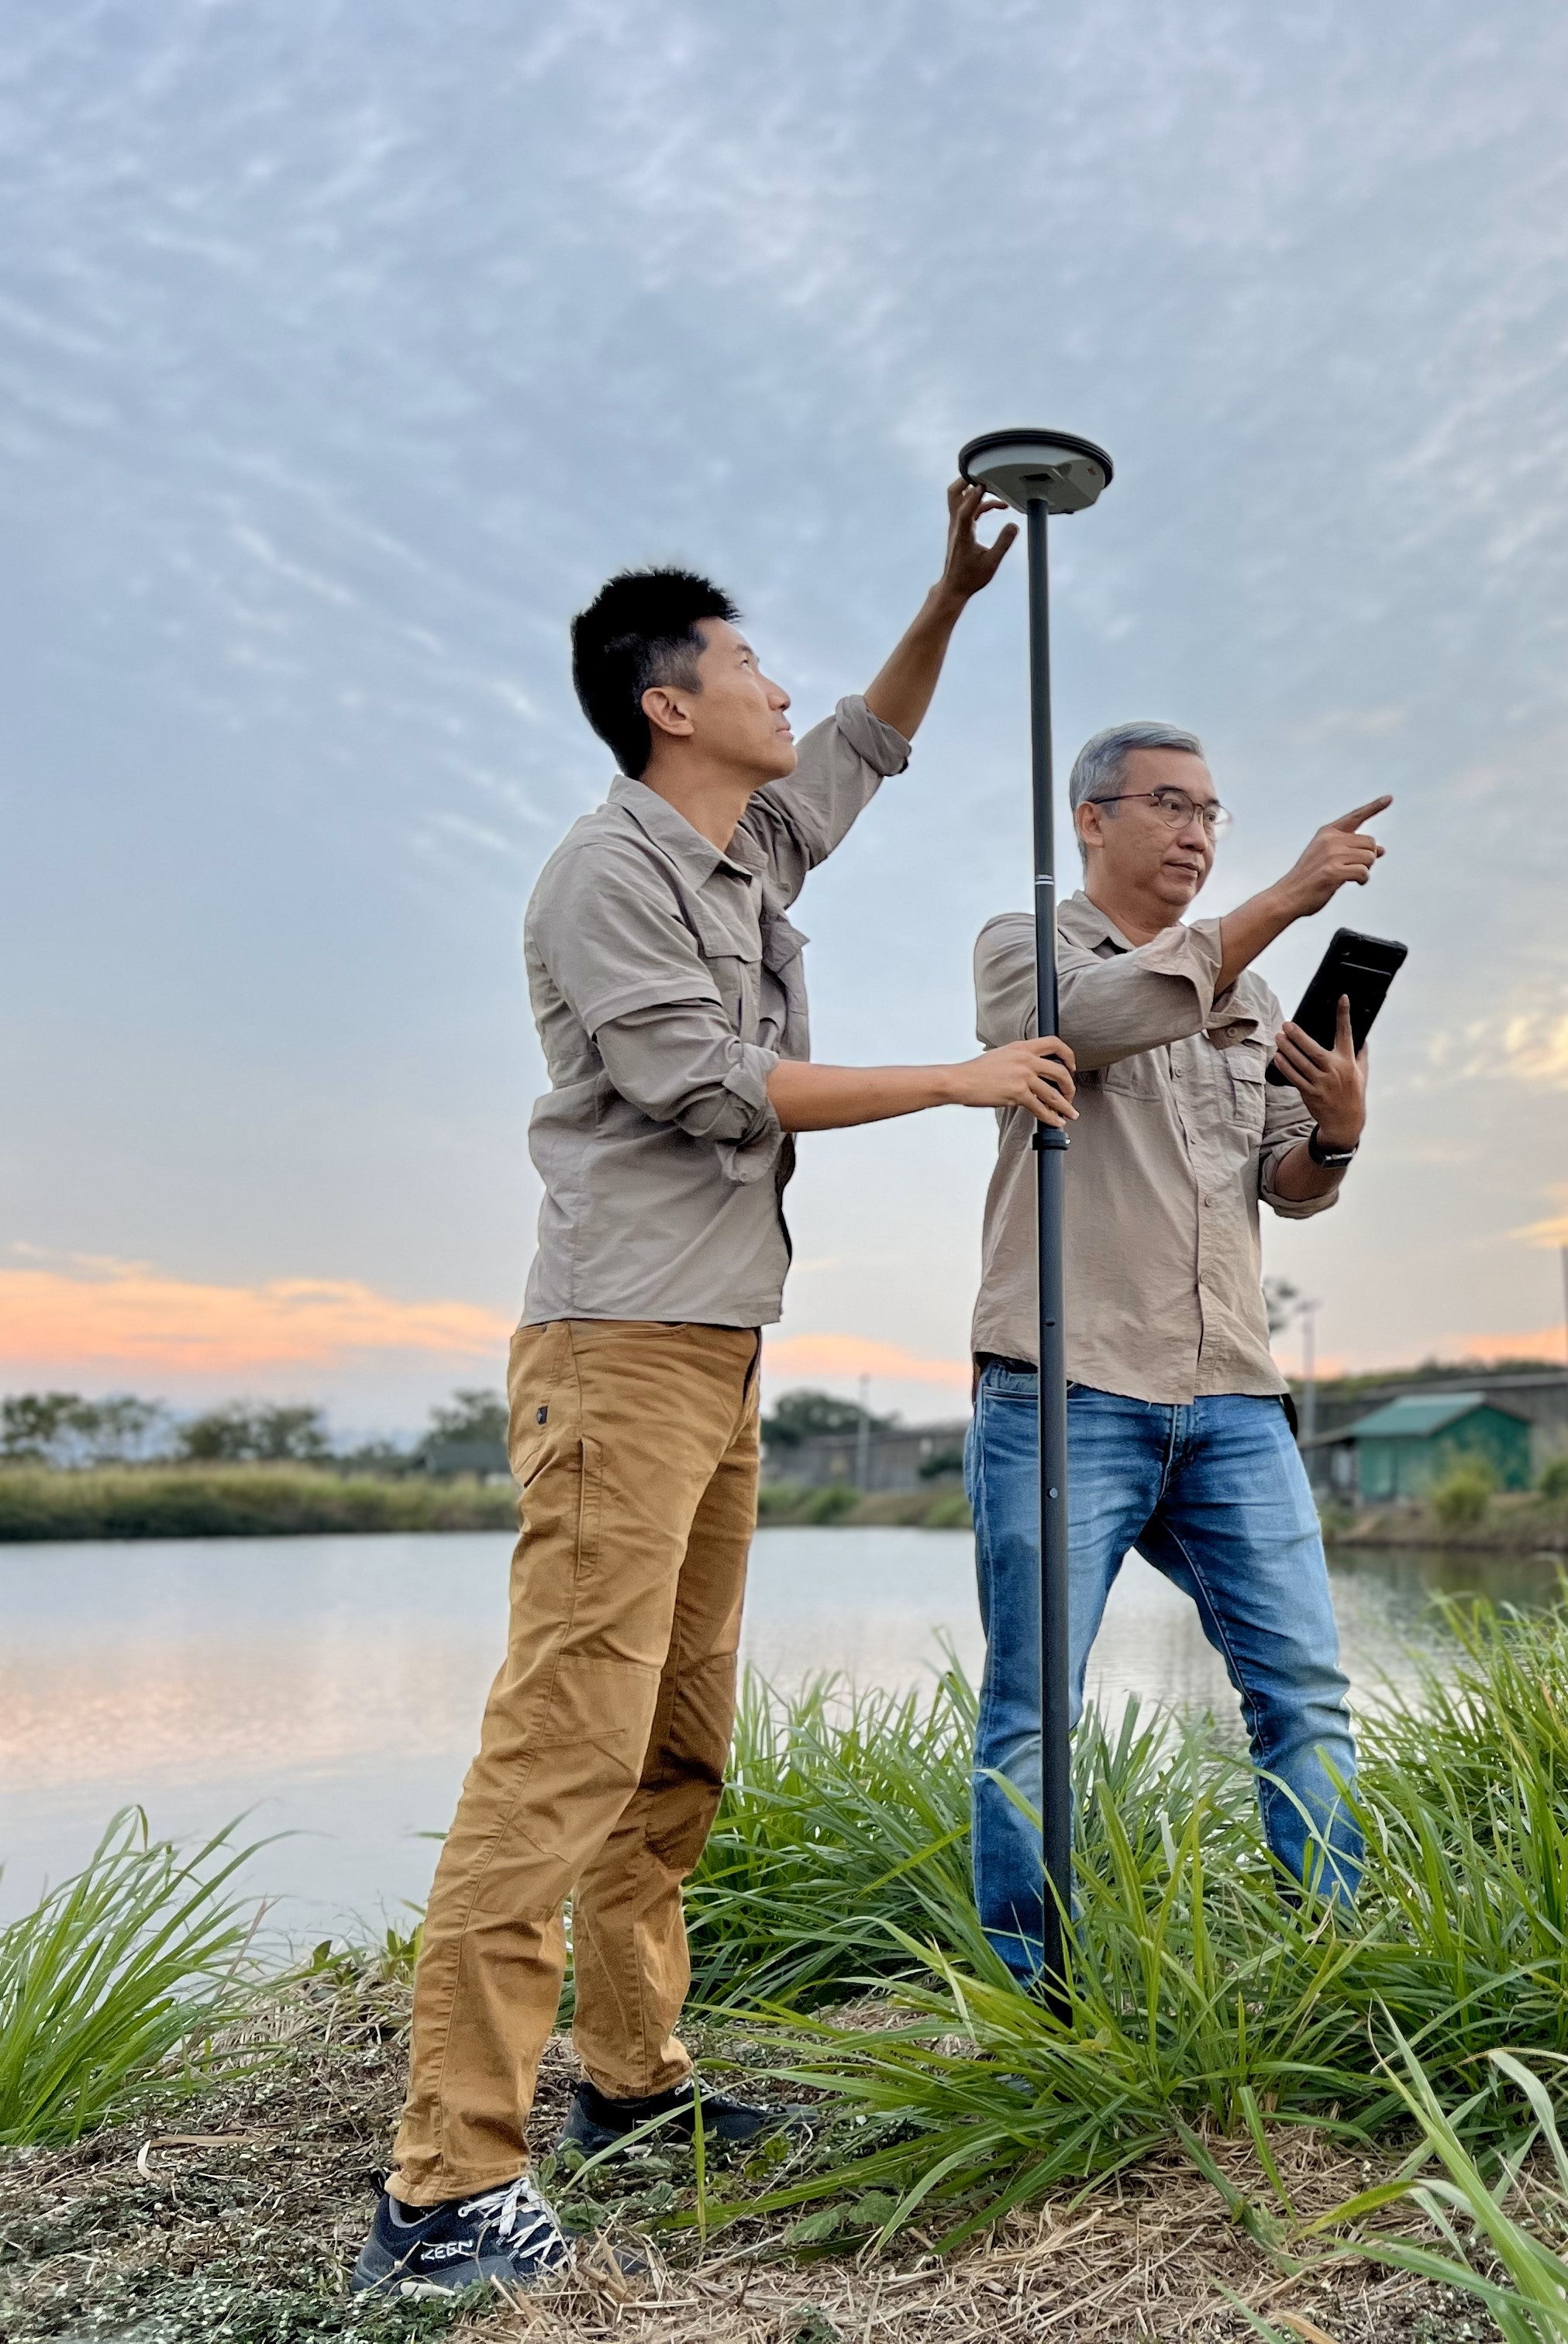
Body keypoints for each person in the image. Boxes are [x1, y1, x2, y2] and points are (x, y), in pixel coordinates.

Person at [354, 485, 1078, 2298]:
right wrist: (965, 1075)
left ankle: (632, 2077)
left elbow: (872, 744)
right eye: (750, 662)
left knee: (678, 1746)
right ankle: (444, 2190)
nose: (782, 689)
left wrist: (951, 588)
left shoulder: (748, 841)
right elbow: (710, 1086)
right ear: (667, 701)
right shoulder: (605, 876)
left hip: (717, 1345)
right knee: (561, 1749)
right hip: (617, 1351)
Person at [967, 722, 1387, 1969]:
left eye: (1214, 811)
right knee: (1036, 1712)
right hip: (1068, 1381)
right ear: (1090, 819)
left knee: (1302, 1691)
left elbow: (1285, 1179)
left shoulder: (1254, 1000)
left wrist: (1342, 1131)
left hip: (1233, 1394)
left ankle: (1340, 1970)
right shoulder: (1025, 950)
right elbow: (1095, 1024)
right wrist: (1289, 896)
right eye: (1169, 803)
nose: (1199, 831)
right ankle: (1035, 2006)